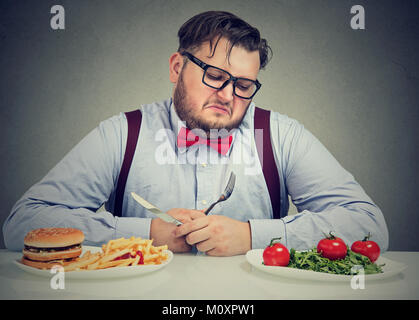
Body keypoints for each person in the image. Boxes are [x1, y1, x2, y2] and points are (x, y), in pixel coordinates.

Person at [3, 11, 389, 256]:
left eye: (243, 84)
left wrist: (254, 236)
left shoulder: (282, 136)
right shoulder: (122, 133)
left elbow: (369, 223)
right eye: (215, 76)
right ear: (176, 67)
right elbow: (22, 224)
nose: (227, 95)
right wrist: (144, 233)